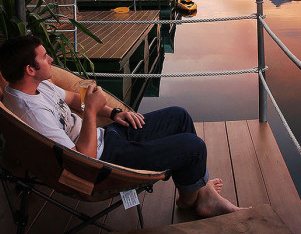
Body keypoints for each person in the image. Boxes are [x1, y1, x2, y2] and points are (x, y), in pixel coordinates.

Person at [0, 35, 246, 218]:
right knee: (194, 147)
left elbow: (75, 99)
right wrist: (93, 112)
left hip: (105, 136)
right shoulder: (32, 112)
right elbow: (80, 162)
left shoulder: (35, 86)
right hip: (103, 161)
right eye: (44, 57)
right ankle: (195, 198)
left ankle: (199, 190)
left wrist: (113, 112)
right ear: (30, 69)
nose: (51, 59)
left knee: (179, 117)